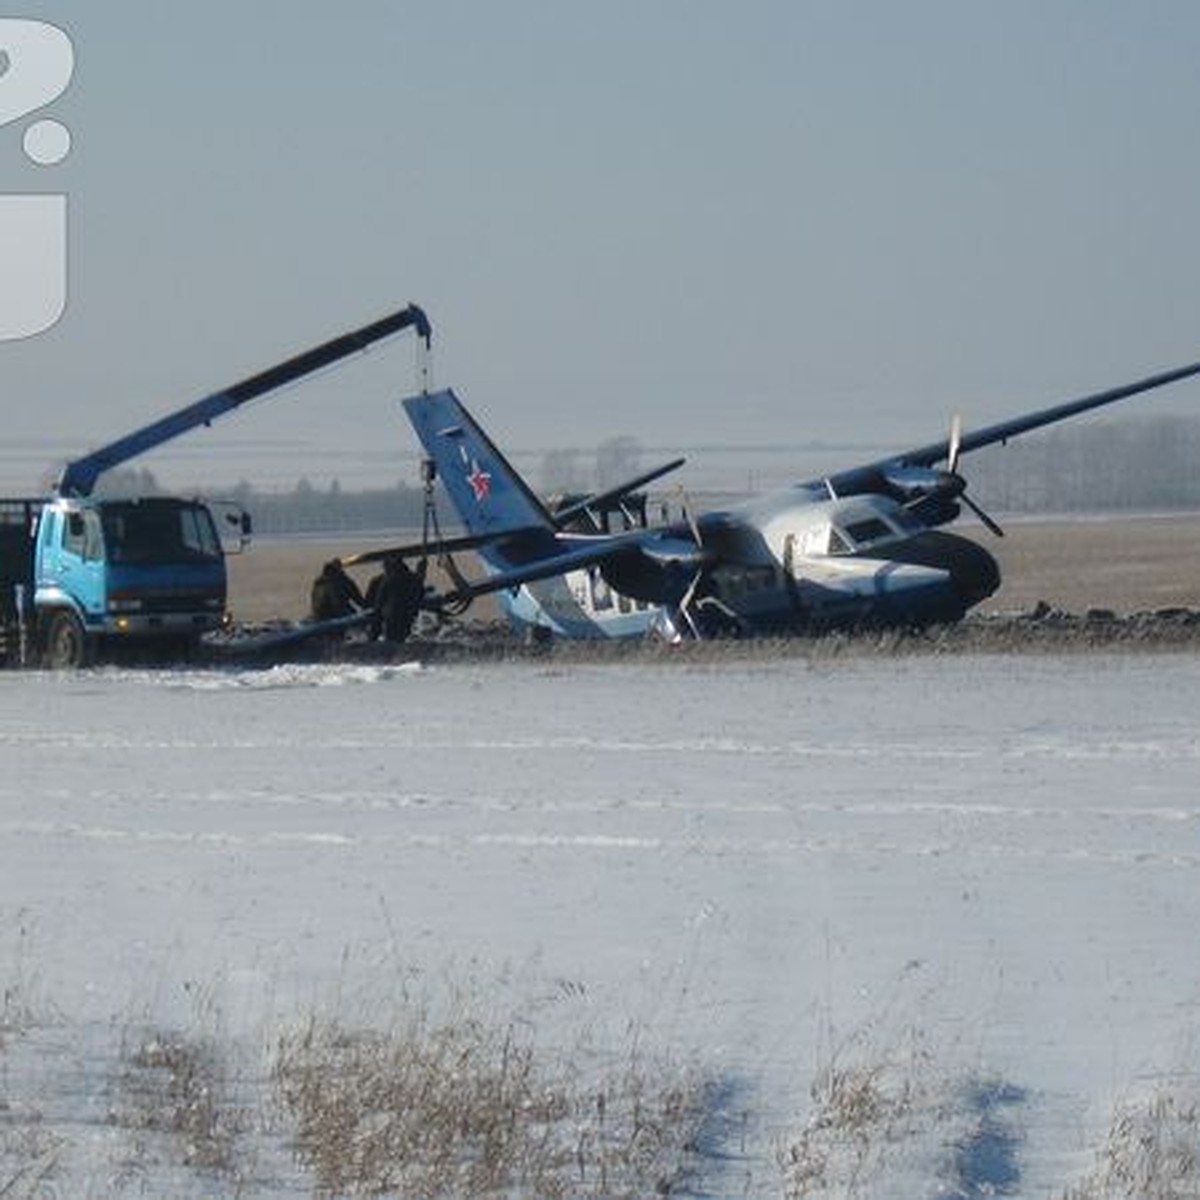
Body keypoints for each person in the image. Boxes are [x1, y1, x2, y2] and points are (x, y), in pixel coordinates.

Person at [365, 555, 426, 642]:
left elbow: (379, 602)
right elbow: (419, 593)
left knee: (392, 640)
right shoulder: (412, 578)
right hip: (406, 615)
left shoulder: (388, 580)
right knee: (400, 638)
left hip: (393, 616)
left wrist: (375, 616)